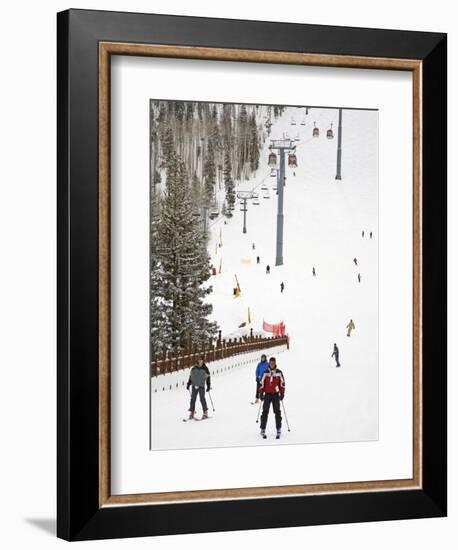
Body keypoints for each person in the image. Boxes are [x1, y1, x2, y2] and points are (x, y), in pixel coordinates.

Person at [259, 357, 285, 439]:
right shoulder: (265, 373)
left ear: (275, 363)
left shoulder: (279, 373)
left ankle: (278, 428)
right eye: (270, 363)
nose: (271, 365)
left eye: (273, 363)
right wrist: (261, 393)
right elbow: (261, 384)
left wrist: (282, 394)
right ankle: (263, 429)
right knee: (265, 412)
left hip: (275, 395)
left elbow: (282, 384)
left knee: (277, 411)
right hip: (267, 394)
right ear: (269, 364)